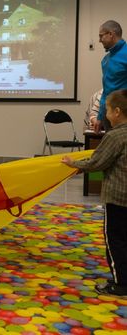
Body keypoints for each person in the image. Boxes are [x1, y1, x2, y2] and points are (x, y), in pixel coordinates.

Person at [62, 89, 127, 297]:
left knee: (115, 240)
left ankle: (121, 284)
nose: (105, 114)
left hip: (117, 198)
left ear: (117, 112)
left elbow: (97, 162)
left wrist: (73, 164)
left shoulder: (115, 136)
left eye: (107, 110)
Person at [94, 20, 127, 133]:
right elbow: (106, 91)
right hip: (109, 116)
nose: (99, 40)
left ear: (111, 34)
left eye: (101, 36)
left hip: (124, 115)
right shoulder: (105, 60)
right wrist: (100, 116)